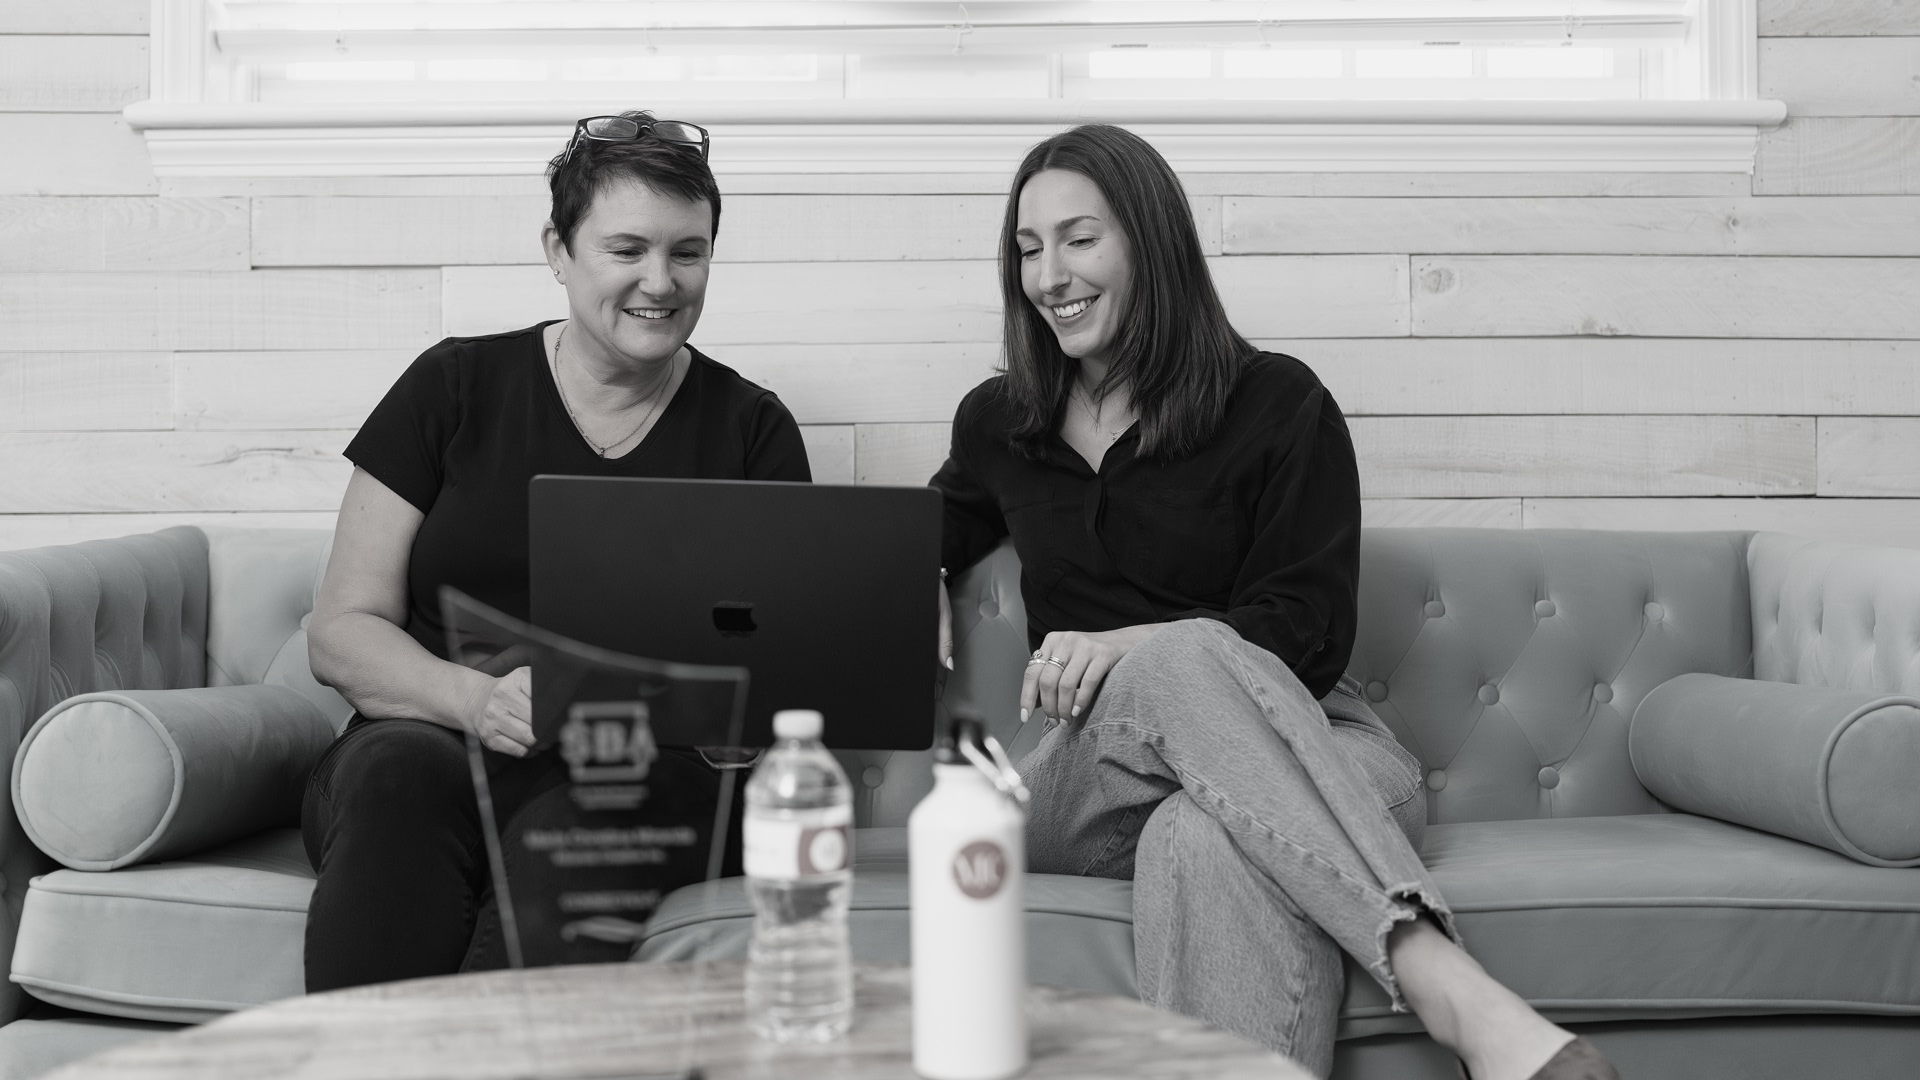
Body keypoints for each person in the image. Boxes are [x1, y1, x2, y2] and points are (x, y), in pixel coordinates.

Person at [930, 125, 1621, 1080]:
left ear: (1152, 243)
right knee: (1179, 659)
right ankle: (1447, 987)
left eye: (1079, 239)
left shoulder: (1277, 402)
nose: (1050, 275)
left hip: (1322, 740)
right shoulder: (1000, 421)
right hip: (1084, 775)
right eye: (1028, 248)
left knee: (1202, 831)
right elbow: (913, 536)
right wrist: (913, 577)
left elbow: (1308, 628)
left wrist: (1136, 642)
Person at [302, 111, 810, 990]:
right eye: (627, 249)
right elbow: (340, 630)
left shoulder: (751, 429)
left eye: (688, 252)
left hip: (641, 775)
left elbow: (781, 672)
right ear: (558, 250)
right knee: (395, 773)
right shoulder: (452, 387)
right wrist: (476, 700)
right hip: (433, 744)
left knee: (593, 823)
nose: (661, 281)